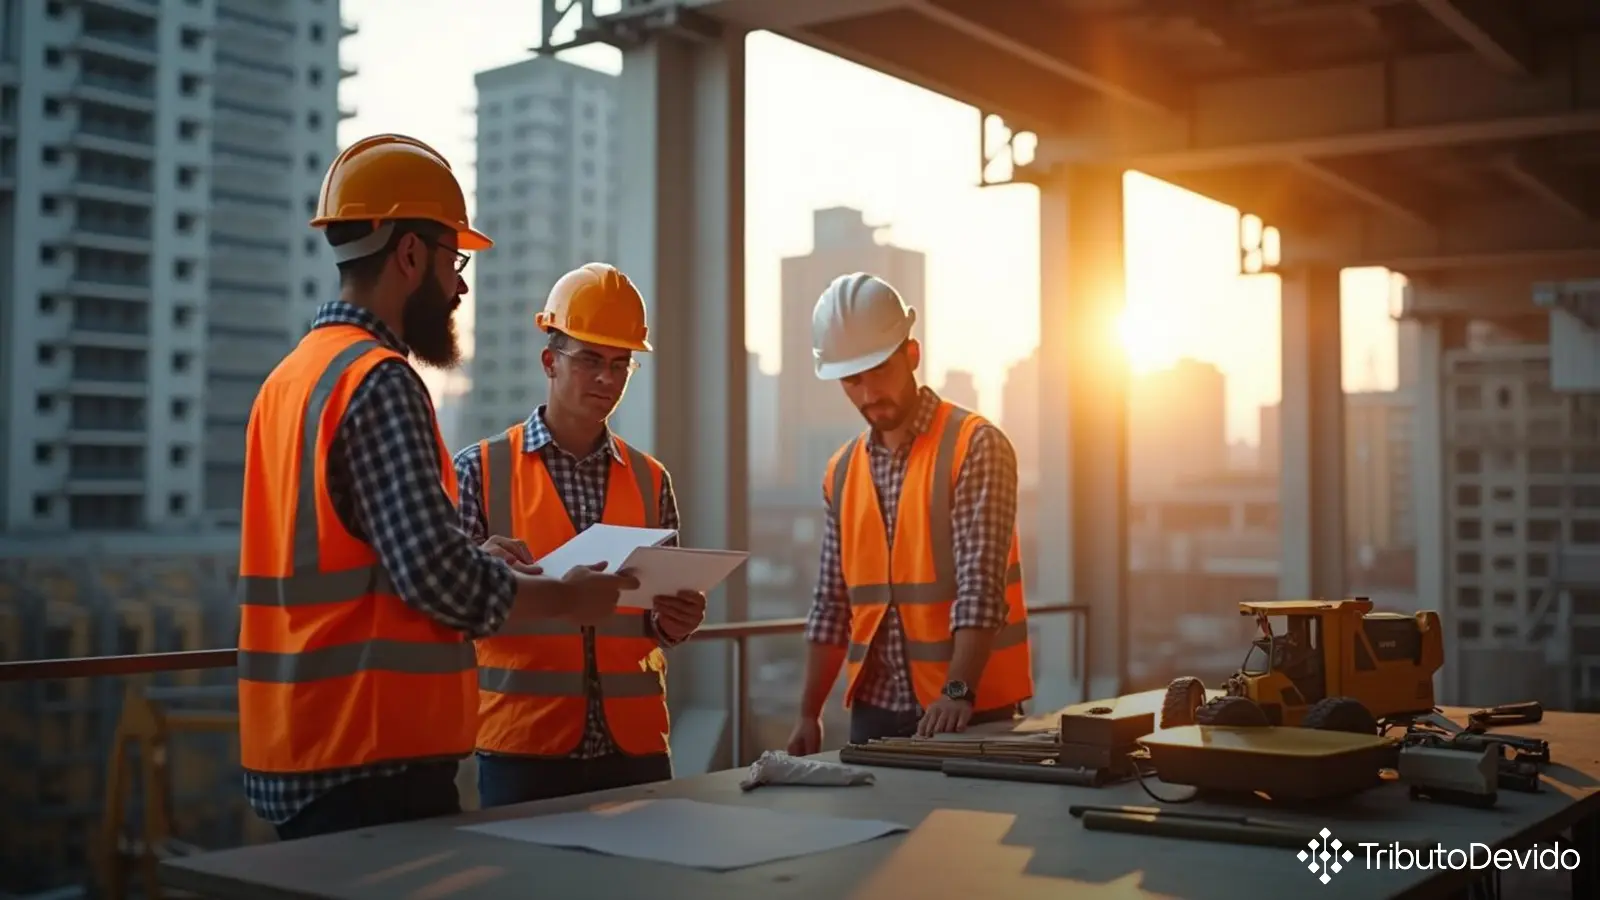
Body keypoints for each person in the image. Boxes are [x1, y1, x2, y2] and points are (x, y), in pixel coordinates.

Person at [236, 135, 638, 842]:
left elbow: (359, 551)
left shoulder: (291, 380)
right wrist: (567, 597)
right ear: (410, 256)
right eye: (454, 262)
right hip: (370, 756)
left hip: (296, 744)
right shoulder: (380, 381)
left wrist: (478, 552)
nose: (460, 287)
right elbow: (435, 578)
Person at [454, 262, 708, 807]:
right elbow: (452, 610)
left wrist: (675, 621)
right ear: (550, 360)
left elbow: (655, 619)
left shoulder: (650, 478)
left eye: (621, 364)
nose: (606, 379)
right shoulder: (480, 471)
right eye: (590, 359)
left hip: (636, 749)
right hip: (523, 749)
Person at [786, 272, 1035, 754]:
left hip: (967, 712)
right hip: (874, 715)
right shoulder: (841, 472)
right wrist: (808, 712)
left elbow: (979, 585)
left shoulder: (976, 445)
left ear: (912, 355)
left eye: (878, 371)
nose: (867, 394)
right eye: (852, 380)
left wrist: (958, 691)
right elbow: (831, 608)